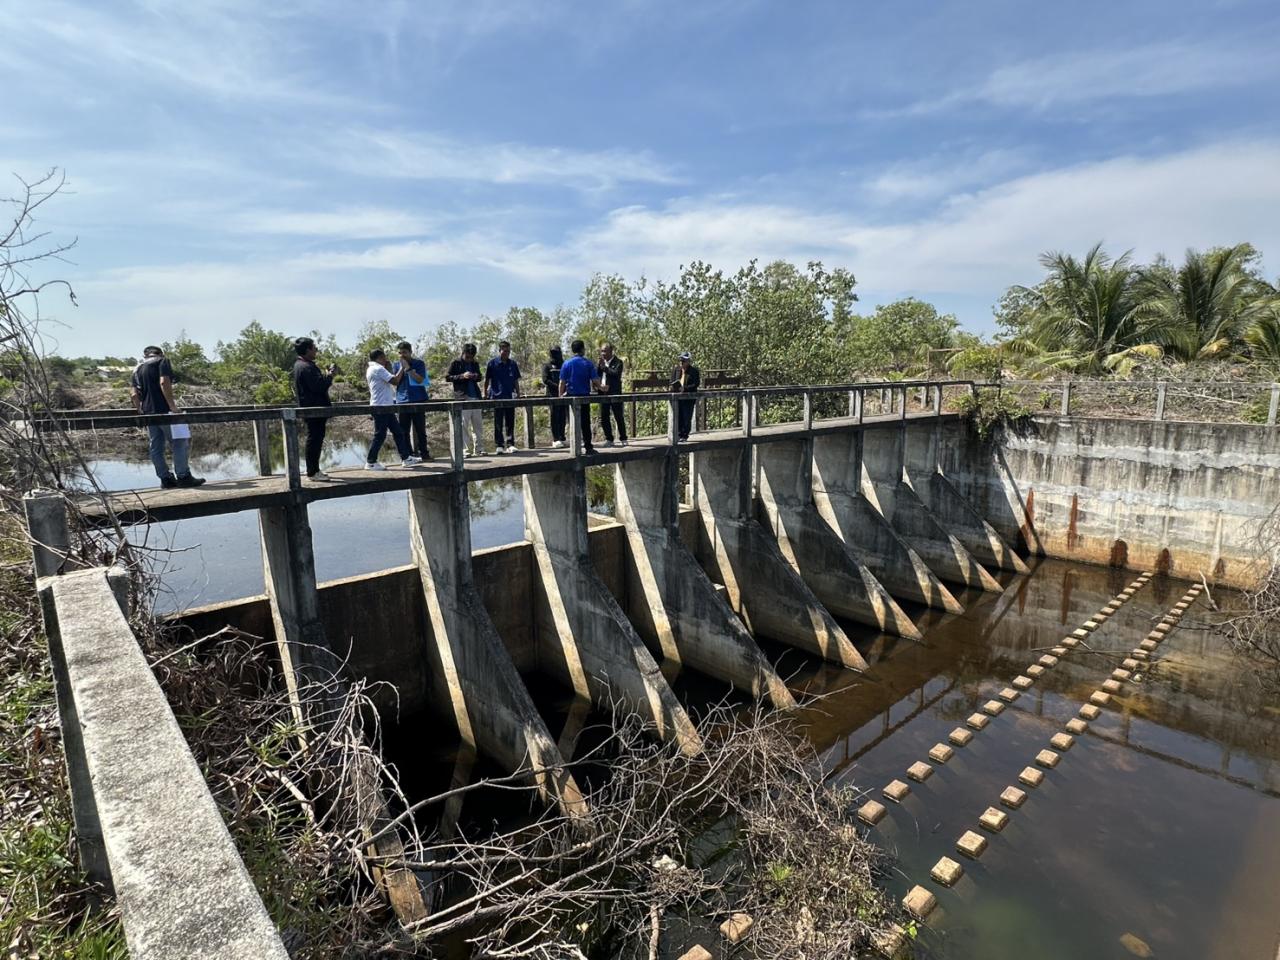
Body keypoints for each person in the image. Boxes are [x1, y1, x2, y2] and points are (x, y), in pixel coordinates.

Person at [130, 346, 205, 489]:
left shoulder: (137, 369)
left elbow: (134, 394)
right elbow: (164, 382)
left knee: (156, 446)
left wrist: (139, 409)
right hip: (165, 411)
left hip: (148, 413)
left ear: (145, 356)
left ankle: (166, 479)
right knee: (179, 442)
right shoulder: (162, 362)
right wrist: (172, 406)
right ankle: (183, 477)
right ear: (160, 354)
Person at [364, 350, 422, 470]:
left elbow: (388, 379)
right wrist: (403, 367)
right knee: (380, 435)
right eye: (384, 357)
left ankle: (406, 458)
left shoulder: (373, 368)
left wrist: (389, 368)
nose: (386, 359)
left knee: (398, 432)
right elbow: (395, 381)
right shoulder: (378, 369)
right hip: (381, 407)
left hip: (386, 406)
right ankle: (370, 462)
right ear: (380, 357)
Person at [292, 336, 339, 481]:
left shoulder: (303, 365)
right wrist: (330, 375)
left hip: (313, 409)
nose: (316, 350)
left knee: (315, 439)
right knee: (314, 440)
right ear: (308, 350)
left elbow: (315, 384)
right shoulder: (305, 367)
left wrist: (325, 375)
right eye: (314, 348)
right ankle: (312, 472)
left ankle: (314, 470)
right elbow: (319, 386)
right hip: (313, 410)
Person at [559, 339, 600, 455]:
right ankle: (588, 447)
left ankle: (575, 448)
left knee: (573, 422)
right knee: (585, 423)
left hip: (571, 397)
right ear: (582, 349)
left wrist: (560, 395)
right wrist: (602, 388)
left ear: (573, 350)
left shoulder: (566, 363)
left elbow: (562, 382)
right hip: (584, 397)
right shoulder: (587, 363)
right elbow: (595, 380)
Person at [392, 340, 431, 460]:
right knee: (403, 430)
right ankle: (409, 455)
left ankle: (424, 454)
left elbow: (420, 380)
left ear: (410, 352)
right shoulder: (396, 365)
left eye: (404, 352)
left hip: (418, 399)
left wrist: (408, 369)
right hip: (402, 400)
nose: (402, 355)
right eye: (400, 353)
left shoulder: (419, 363)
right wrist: (401, 369)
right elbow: (395, 382)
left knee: (420, 430)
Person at [445, 343, 484, 457]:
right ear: (463, 353)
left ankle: (479, 449)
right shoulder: (455, 363)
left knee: (478, 426)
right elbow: (448, 377)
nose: (469, 359)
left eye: (471, 357)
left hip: (475, 397)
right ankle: (465, 450)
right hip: (463, 397)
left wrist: (476, 376)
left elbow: (480, 377)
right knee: (464, 426)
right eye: (467, 357)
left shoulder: (475, 363)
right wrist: (462, 376)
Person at [483, 339, 522, 454]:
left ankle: (510, 444)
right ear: (499, 351)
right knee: (498, 422)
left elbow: (515, 380)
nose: (506, 353)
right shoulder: (492, 363)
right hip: (496, 396)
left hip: (509, 396)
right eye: (504, 351)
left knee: (510, 421)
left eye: (508, 351)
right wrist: (485, 392)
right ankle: (499, 445)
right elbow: (487, 379)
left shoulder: (513, 364)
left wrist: (518, 393)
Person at [596, 342, 627, 447]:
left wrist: (604, 367)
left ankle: (623, 438)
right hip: (603, 393)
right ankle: (609, 439)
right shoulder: (601, 362)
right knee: (604, 417)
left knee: (618, 416)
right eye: (601, 351)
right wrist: (599, 367)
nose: (603, 353)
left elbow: (616, 374)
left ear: (610, 351)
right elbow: (597, 375)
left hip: (614, 393)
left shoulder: (618, 362)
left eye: (605, 351)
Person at [670, 351, 701, 442]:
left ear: (688, 361)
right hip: (678, 397)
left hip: (688, 398)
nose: (681, 362)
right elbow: (672, 381)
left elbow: (696, 384)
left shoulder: (694, 371)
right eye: (681, 360)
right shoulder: (676, 370)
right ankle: (679, 435)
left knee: (687, 417)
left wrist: (685, 389)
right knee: (679, 416)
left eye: (683, 360)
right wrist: (673, 387)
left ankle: (685, 435)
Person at [542, 345, 567, 448]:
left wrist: (564, 388)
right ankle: (555, 438)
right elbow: (545, 379)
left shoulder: (564, 364)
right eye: (552, 352)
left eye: (556, 352)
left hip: (563, 394)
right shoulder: (547, 365)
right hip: (552, 394)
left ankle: (562, 437)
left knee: (562, 416)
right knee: (554, 416)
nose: (554, 354)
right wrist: (557, 387)